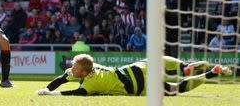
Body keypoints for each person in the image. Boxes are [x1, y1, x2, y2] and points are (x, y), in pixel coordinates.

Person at [36, 54, 230, 96]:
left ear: (84, 72)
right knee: (153, 59)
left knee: (177, 89)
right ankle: (184, 66)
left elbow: (75, 93)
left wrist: (50, 93)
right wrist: (46, 88)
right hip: (136, 69)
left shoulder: (91, 83)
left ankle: (211, 74)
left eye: (75, 68)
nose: (71, 69)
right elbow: (62, 78)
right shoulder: (86, 70)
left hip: (138, 87)